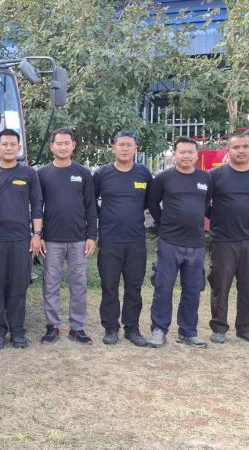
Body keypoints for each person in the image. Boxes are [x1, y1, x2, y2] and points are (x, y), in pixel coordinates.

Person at [0, 129, 43, 350]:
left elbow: (37, 206)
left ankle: (17, 332)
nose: (8, 148)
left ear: (19, 148)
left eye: (13, 144)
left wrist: (36, 235)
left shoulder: (29, 174)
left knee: (18, 287)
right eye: (4, 144)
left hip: (21, 239)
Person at [146, 137, 212, 348]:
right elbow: (152, 203)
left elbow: (206, 204)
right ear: (174, 155)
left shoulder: (205, 178)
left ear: (197, 155)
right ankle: (159, 329)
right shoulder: (163, 179)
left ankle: (188, 331)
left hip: (196, 243)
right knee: (163, 287)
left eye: (190, 152)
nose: (186, 156)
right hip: (169, 242)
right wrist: (162, 223)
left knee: (193, 289)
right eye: (182, 152)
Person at [208, 133, 249, 344]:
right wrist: (217, 219)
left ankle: (246, 328)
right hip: (223, 240)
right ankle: (219, 328)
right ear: (228, 150)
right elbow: (203, 203)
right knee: (220, 286)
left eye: (245, 146)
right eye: (236, 147)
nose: (241, 151)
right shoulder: (215, 176)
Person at [36, 128, 97, 345]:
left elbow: (91, 207)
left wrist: (92, 236)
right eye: (59, 143)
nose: (63, 147)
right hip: (51, 240)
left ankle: (77, 327)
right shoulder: (42, 174)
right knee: (50, 283)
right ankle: (52, 326)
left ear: (73, 145)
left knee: (79, 283)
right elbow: (37, 207)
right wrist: (39, 235)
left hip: (79, 239)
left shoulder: (83, 173)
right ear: (52, 146)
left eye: (66, 143)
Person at [93, 131, 152, 347]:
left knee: (134, 286)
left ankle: (132, 328)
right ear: (113, 148)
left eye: (129, 145)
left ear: (136, 149)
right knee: (109, 285)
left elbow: (148, 201)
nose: (125, 148)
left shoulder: (143, 173)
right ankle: (110, 328)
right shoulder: (102, 174)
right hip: (110, 240)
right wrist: (106, 217)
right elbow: (91, 202)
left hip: (136, 240)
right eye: (121, 144)